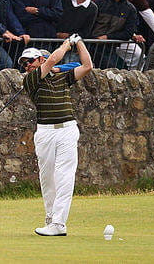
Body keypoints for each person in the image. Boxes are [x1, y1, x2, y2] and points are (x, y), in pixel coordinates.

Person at [20, 34, 93, 237]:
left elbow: (87, 66)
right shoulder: (31, 80)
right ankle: (51, 217)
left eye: (30, 61)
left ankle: (59, 224)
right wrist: (66, 43)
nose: (27, 65)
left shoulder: (62, 77)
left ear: (40, 60)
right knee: (48, 179)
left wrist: (79, 42)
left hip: (68, 130)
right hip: (45, 132)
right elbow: (53, 59)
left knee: (64, 177)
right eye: (24, 63)